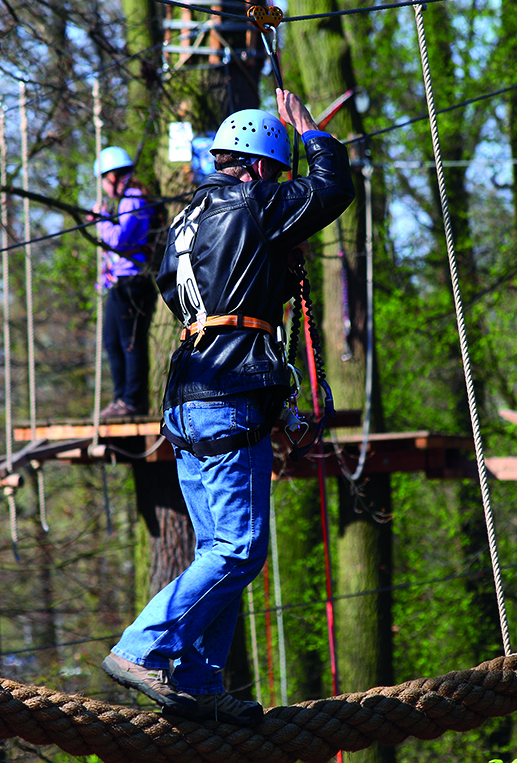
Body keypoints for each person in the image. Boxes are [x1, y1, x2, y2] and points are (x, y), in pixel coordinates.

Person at [101, 89, 355, 725]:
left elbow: (174, 291)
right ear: (264, 166)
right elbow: (331, 192)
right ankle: (144, 645)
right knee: (238, 551)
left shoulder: (188, 218)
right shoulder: (251, 200)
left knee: (222, 550)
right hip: (226, 396)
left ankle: (197, 681)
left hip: (190, 392)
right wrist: (310, 133)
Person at [90, 146, 158, 418]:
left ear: (114, 177)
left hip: (132, 282)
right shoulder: (126, 201)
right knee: (113, 342)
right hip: (120, 282)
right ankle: (121, 398)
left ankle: (132, 400)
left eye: (104, 181)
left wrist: (101, 220)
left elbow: (119, 240)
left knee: (130, 343)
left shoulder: (133, 200)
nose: (104, 188)